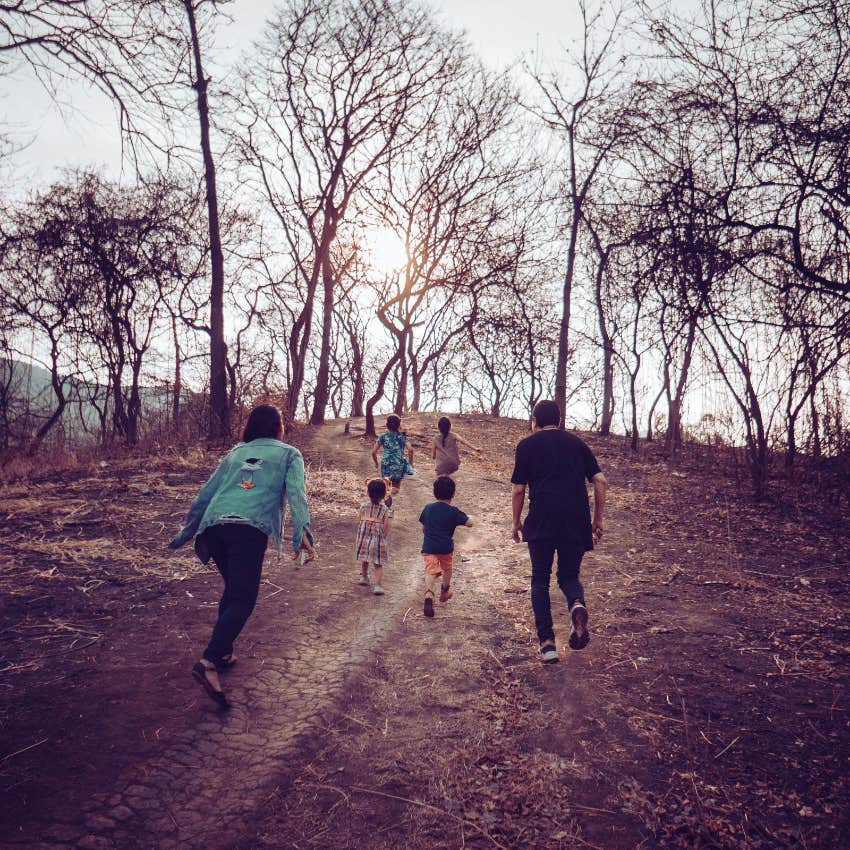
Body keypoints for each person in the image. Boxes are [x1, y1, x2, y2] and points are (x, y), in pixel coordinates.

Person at [168, 404, 315, 708]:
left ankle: (223, 652)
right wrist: (302, 535)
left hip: (213, 529)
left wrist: (186, 533)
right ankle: (208, 661)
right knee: (242, 599)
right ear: (279, 428)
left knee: (235, 590)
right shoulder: (289, 454)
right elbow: (297, 494)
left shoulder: (236, 452)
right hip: (247, 530)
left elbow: (205, 494)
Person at [511, 399, 607, 664]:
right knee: (568, 575)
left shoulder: (526, 445)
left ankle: (548, 644)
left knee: (540, 580)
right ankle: (576, 603)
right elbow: (600, 480)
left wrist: (515, 522)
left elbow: (519, 489)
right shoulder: (577, 444)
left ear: (534, 421)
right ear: (559, 421)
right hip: (575, 522)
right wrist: (598, 519)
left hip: (541, 520)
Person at [418, 475, 474, 618]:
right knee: (447, 568)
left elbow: (424, 528)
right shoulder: (454, 511)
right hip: (445, 547)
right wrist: (470, 518)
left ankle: (429, 593)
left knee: (430, 570)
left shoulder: (428, 508)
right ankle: (444, 592)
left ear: (434, 493)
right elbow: (469, 523)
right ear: (453, 494)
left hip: (429, 546)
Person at [355, 478, 393, 595]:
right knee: (378, 563)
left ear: (368, 493)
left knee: (365, 558)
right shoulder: (384, 509)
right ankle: (377, 585)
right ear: (384, 495)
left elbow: (359, 520)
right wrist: (384, 536)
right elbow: (386, 525)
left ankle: (364, 577)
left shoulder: (363, 506)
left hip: (364, 537)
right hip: (378, 538)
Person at [371, 414, 414, 494]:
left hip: (385, 463)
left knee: (386, 487)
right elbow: (411, 450)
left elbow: (373, 452)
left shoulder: (383, 436)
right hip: (398, 463)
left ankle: (387, 500)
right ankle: (392, 496)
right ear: (398, 425)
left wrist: (376, 463)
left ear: (387, 425)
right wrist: (410, 465)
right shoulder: (402, 436)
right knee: (395, 488)